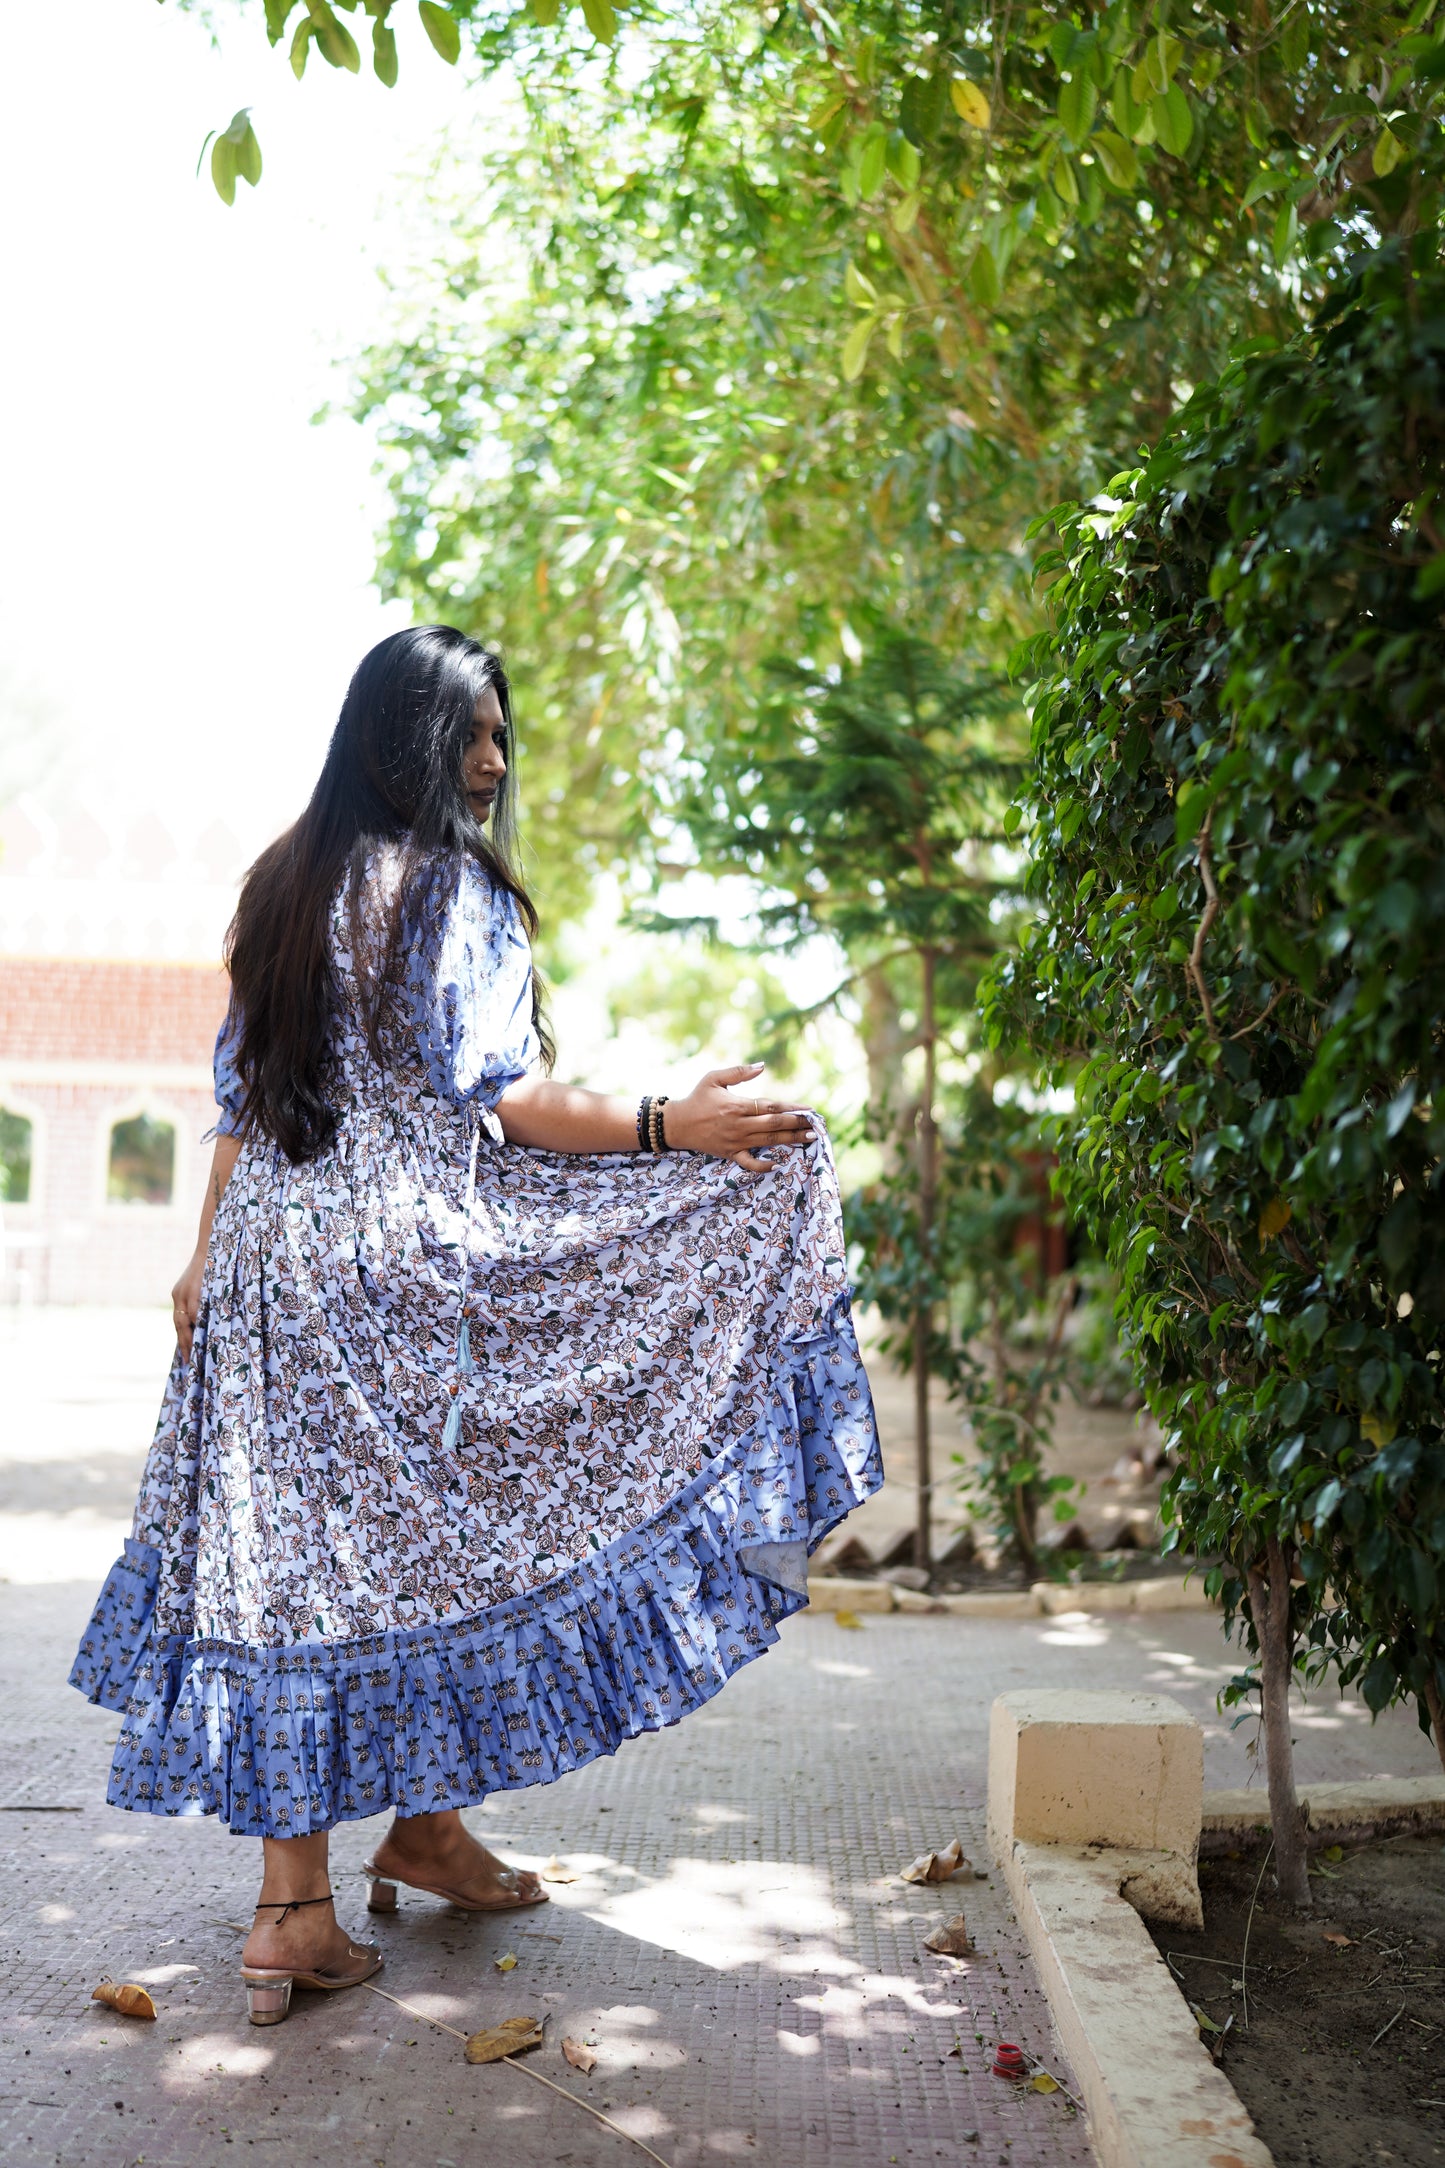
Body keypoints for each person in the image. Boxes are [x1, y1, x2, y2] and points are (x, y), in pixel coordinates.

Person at [70, 626, 883, 2026]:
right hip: (401, 1263)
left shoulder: (282, 883)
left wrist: (204, 1264)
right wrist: (666, 1126)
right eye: (470, 740)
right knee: (433, 1536)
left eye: (501, 738)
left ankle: (338, 1885)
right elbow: (502, 1104)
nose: (494, 764)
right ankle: (340, 1885)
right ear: (403, 747)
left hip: (272, 1260)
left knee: (301, 1562)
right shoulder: (447, 892)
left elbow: (244, 1102)